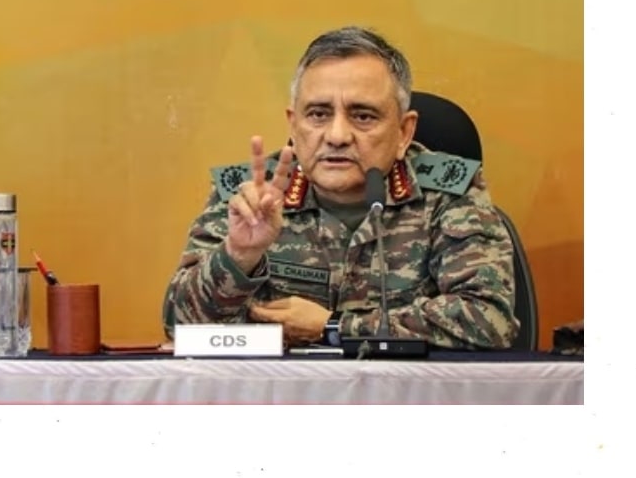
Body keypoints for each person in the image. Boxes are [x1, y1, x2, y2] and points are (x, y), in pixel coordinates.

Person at [161, 27, 518, 350]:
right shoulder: (252, 195)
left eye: (363, 116)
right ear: (293, 125)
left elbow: (490, 319)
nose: (336, 136)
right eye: (318, 114)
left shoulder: (448, 191)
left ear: (404, 132)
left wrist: (334, 327)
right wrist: (238, 257)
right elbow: (179, 326)